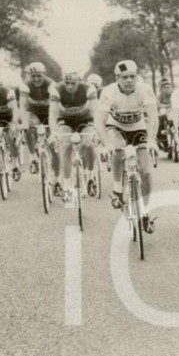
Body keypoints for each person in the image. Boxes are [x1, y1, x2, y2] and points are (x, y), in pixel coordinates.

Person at [94, 59, 158, 232]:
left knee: (145, 171)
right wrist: (106, 144)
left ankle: (144, 212)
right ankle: (117, 189)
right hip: (116, 127)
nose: (129, 80)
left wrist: (151, 140)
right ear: (117, 78)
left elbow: (153, 116)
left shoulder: (144, 89)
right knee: (117, 149)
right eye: (125, 77)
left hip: (139, 128)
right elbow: (99, 122)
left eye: (132, 77)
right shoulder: (109, 92)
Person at [49, 69, 98, 201]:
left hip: (85, 119)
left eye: (73, 83)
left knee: (88, 144)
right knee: (65, 146)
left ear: (79, 81)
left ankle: (89, 176)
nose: (70, 86)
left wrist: (97, 131)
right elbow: (52, 114)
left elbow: (96, 112)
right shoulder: (56, 89)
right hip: (66, 120)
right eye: (67, 83)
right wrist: (54, 133)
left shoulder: (88, 88)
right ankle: (67, 188)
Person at [20, 62, 55, 174]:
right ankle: (33, 157)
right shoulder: (26, 85)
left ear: (44, 74)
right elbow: (22, 105)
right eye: (33, 76)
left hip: (49, 112)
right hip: (34, 112)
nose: (36, 79)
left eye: (39, 75)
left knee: (52, 134)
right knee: (29, 127)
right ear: (29, 76)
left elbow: (56, 105)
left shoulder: (51, 84)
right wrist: (24, 122)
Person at [155, 76, 176, 158]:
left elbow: (177, 102)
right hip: (164, 113)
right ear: (161, 89)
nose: (167, 89)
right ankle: (160, 136)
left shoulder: (173, 94)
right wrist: (168, 106)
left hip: (172, 113)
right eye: (165, 87)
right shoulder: (159, 96)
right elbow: (157, 104)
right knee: (160, 118)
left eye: (168, 87)